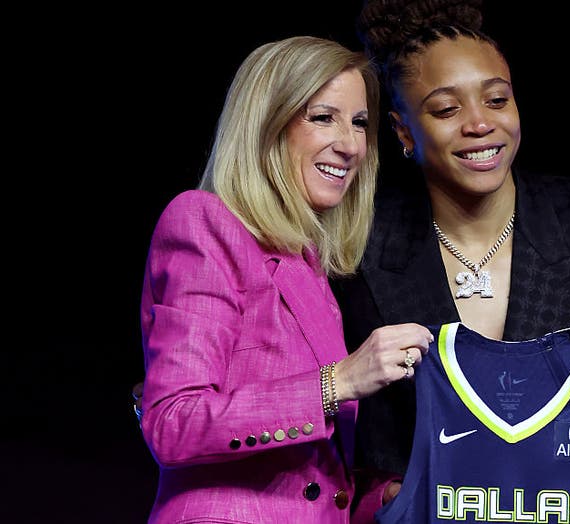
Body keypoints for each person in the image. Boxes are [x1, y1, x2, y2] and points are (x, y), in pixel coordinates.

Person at [330, 1, 570, 522]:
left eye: (497, 99)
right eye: (446, 110)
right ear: (402, 131)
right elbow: (328, 447)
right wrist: (381, 500)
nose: (479, 124)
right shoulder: (355, 246)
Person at [137, 35, 433, 524]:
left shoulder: (309, 266)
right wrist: (338, 382)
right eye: (323, 117)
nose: (350, 144)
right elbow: (173, 423)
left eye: (360, 123)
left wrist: (384, 497)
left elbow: (308, 486)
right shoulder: (204, 222)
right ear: (267, 125)